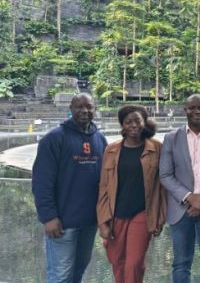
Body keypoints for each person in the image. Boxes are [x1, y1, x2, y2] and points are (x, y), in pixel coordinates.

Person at [32, 93, 108, 283]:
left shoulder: (100, 140)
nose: (84, 111)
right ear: (70, 109)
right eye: (79, 107)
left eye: (89, 107)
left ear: (95, 109)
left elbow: (105, 181)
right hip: (62, 223)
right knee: (60, 276)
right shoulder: (54, 139)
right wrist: (48, 216)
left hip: (89, 222)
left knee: (78, 273)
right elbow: (42, 182)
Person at [159, 94, 200, 283]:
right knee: (181, 261)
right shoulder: (171, 138)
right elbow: (165, 175)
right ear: (185, 110)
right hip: (181, 209)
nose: (197, 111)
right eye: (193, 108)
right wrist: (189, 197)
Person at [97, 105, 166, 283]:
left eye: (138, 120)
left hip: (142, 213)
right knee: (117, 261)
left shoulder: (157, 148)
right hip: (115, 214)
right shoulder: (111, 150)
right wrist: (103, 221)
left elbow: (162, 187)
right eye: (128, 122)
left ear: (144, 122)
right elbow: (104, 187)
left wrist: (159, 218)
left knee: (134, 264)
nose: (133, 125)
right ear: (122, 125)